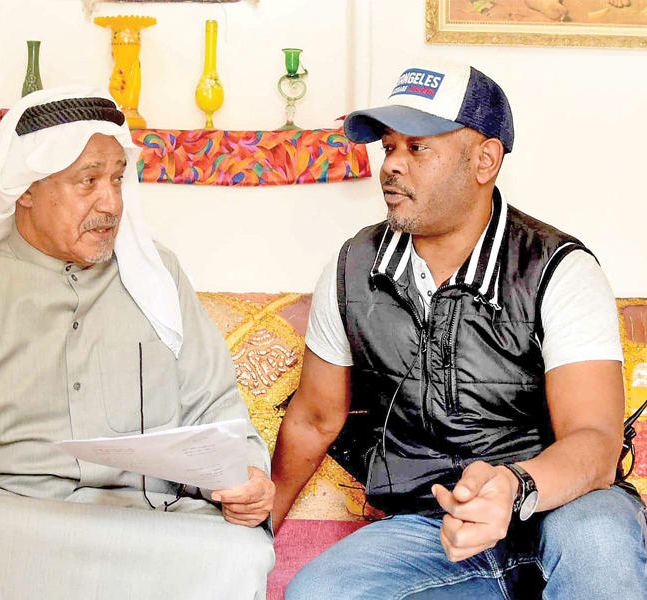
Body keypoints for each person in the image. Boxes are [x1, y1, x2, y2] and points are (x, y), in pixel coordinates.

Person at [0, 87, 275, 599]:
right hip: (0, 521)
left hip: (135, 528)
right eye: (88, 181)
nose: (111, 203)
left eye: (117, 179)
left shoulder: (156, 274)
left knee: (241, 552)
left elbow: (216, 408)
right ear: (26, 189)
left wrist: (248, 476)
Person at [272, 59, 647, 598]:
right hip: (432, 527)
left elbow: (595, 441)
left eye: (417, 148)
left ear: (484, 160)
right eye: (389, 147)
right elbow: (313, 419)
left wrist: (514, 487)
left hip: (561, 507)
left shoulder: (558, 268)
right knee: (318, 592)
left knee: (601, 540)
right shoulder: (353, 268)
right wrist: (257, 530)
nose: (391, 166)